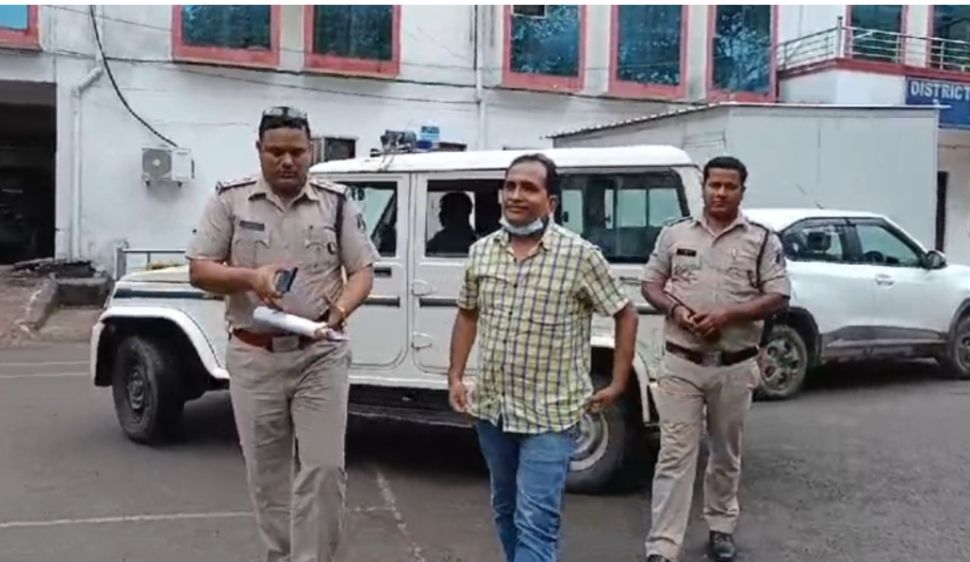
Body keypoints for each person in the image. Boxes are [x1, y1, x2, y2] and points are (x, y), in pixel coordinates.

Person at [185, 106, 378, 562]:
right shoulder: (230, 201)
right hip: (254, 356)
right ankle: (284, 555)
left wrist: (339, 311)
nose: (287, 161)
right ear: (259, 151)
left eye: (297, 151)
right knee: (268, 476)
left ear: (312, 151)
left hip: (320, 356)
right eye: (276, 152)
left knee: (324, 468)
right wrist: (251, 278)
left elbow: (363, 271)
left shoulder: (337, 203)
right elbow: (200, 270)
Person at [447, 153, 639, 562]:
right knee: (505, 510)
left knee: (536, 521)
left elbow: (625, 313)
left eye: (529, 188)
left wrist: (618, 382)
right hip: (493, 412)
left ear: (550, 202)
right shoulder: (482, 252)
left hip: (551, 417)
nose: (516, 195)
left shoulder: (580, 256)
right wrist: (456, 376)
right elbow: (467, 314)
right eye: (510, 186)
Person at [639, 156, 790, 562]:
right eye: (714, 185)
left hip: (735, 364)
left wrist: (728, 315)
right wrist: (676, 310)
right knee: (674, 456)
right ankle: (662, 546)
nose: (720, 193)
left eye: (730, 186)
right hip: (682, 363)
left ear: (742, 190)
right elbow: (651, 284)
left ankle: (721, 527)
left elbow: (778, 295)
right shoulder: (674, 234)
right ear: (703, 187)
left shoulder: (762, 240)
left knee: (724, 453)